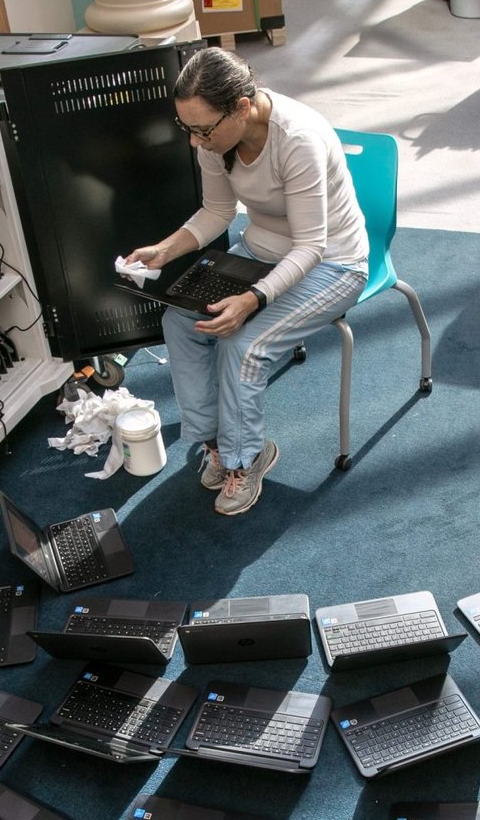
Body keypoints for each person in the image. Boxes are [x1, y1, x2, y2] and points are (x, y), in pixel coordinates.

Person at [126, 48, 368, 516]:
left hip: (334, 263)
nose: (195, 142)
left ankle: (247, 457)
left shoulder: (298, 139)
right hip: (262, 252)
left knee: (244, 345)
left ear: (241, 106)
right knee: (180, 322)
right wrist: (166, 249)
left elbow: (311, 246)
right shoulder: (217, 140)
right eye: (187, 128)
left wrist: (253, 299)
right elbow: (218, 211)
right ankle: (217, 443)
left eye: (202, 130)